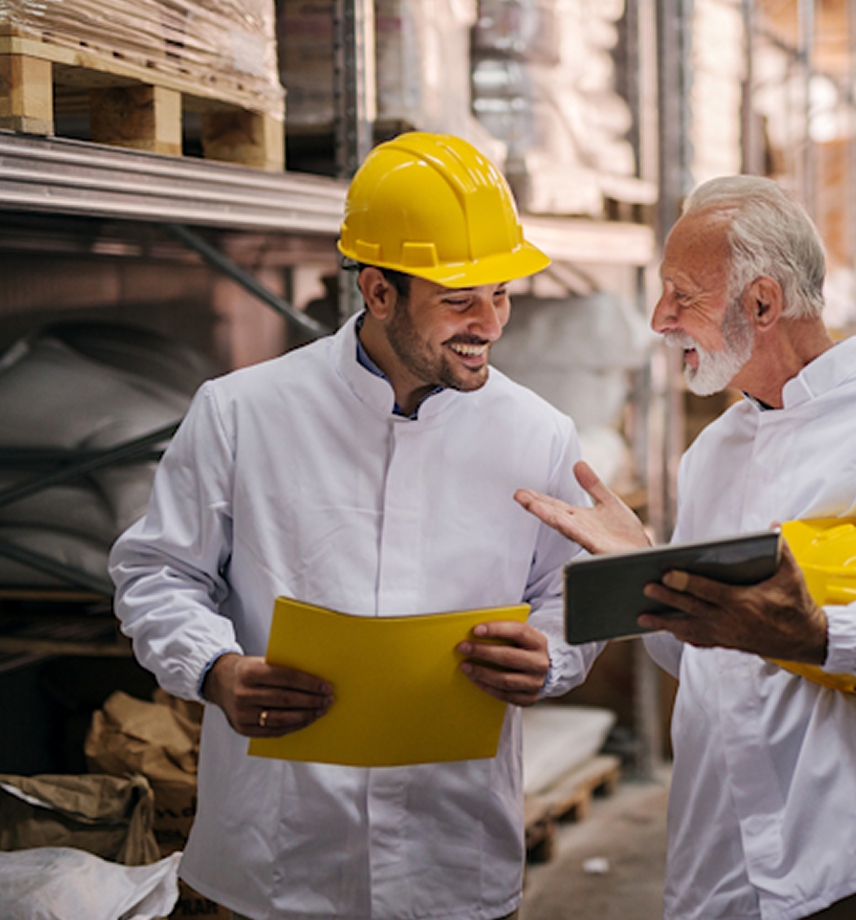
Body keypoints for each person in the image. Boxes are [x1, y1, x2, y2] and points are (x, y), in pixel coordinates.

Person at [515, 174, 856, 920]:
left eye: (682, 294)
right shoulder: (712, 452)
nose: (659, 318)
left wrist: (826, 634)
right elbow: (701, 659)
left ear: (763, 303)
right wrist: (643, 566)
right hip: (719, 870)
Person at [109, 132, 601, 920]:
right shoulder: (244, 414)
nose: (491, 323)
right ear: (377, 292)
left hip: (455, 860)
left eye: (502, 293)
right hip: (272, 862)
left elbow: (566, 591)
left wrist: (553, 654)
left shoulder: (538, 434)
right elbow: (157, 573)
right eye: (459, 299)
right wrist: (214, 670)